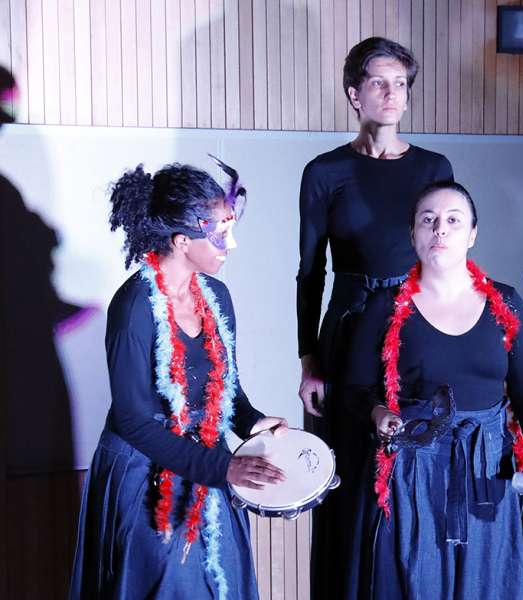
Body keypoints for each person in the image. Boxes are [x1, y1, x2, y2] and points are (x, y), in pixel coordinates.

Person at [70, 160, 289, 599]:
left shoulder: (217, 296)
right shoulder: (133, 306)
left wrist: (252, 423)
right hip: (144, 474)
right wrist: (224, 467)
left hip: (207, 463)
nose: (233, 243)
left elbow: (226, 389)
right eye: (221, 233)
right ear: (182, 241)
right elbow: (134, 421)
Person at [344, 181, 523, 599]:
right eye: (428, 220)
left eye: (452, 221)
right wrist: (377, 414)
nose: (439, 229)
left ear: (472, 234)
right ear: (413, 234)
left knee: (488, 584)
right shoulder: (383, 306)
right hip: (413, 470)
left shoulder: (506, 302)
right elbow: (353, 388)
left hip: (488, 470)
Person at [296, 36, 453, 597]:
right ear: (354, 94)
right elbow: (310, 271)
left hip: (416, 323)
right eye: (381, 83)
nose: (393, 95)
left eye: (402, 85)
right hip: (349, 326)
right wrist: (309, 359)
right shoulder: (324, 171)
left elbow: (447, 255)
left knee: (413, 462)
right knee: (347, 474)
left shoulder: (434, 167)